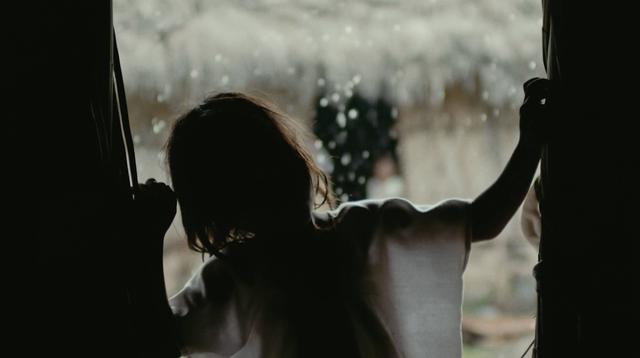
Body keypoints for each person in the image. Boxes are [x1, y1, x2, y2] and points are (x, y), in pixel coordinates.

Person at [137, 78, 550, 357]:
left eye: (279, 161)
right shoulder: (236, 276)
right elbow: (158, 342)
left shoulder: (364, 229)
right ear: (227, 206)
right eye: (257, 179)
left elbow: (483, 220)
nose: (279, 181)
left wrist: (532, 142)